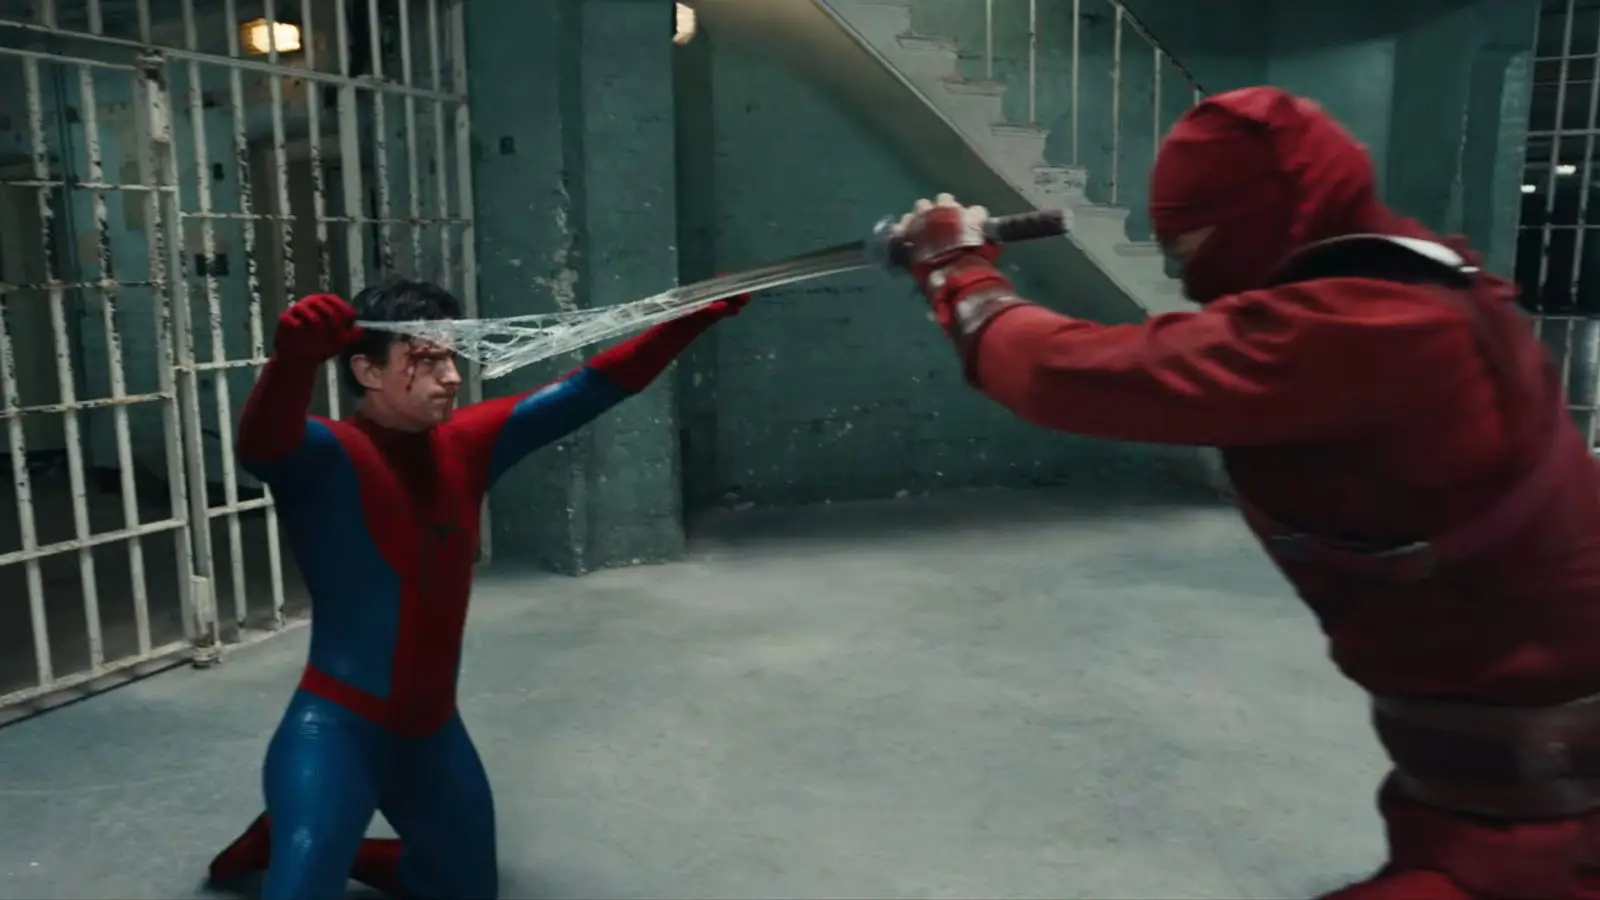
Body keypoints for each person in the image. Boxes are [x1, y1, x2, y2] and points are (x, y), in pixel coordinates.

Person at [883, 86, 1600, 899]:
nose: (1186, 272)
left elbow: (1061, 374)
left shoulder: (1378, 327)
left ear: (1263, 216)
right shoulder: (1411, 279)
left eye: (1192, 244)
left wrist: (955, 269)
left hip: (1545, 835)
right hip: (1479, 792)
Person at [205, 278, 753, 899]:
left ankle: (287, 838)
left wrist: (688, 320)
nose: (452, 378)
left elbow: (588, 390)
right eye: (426, 360)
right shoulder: (330, 455)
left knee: (462, 890)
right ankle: (300, 837)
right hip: (336, 732)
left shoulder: (466, 444)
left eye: (452, 357)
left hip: (431, 733)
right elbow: (263, 446)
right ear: (368, 371)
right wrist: (291, 364)